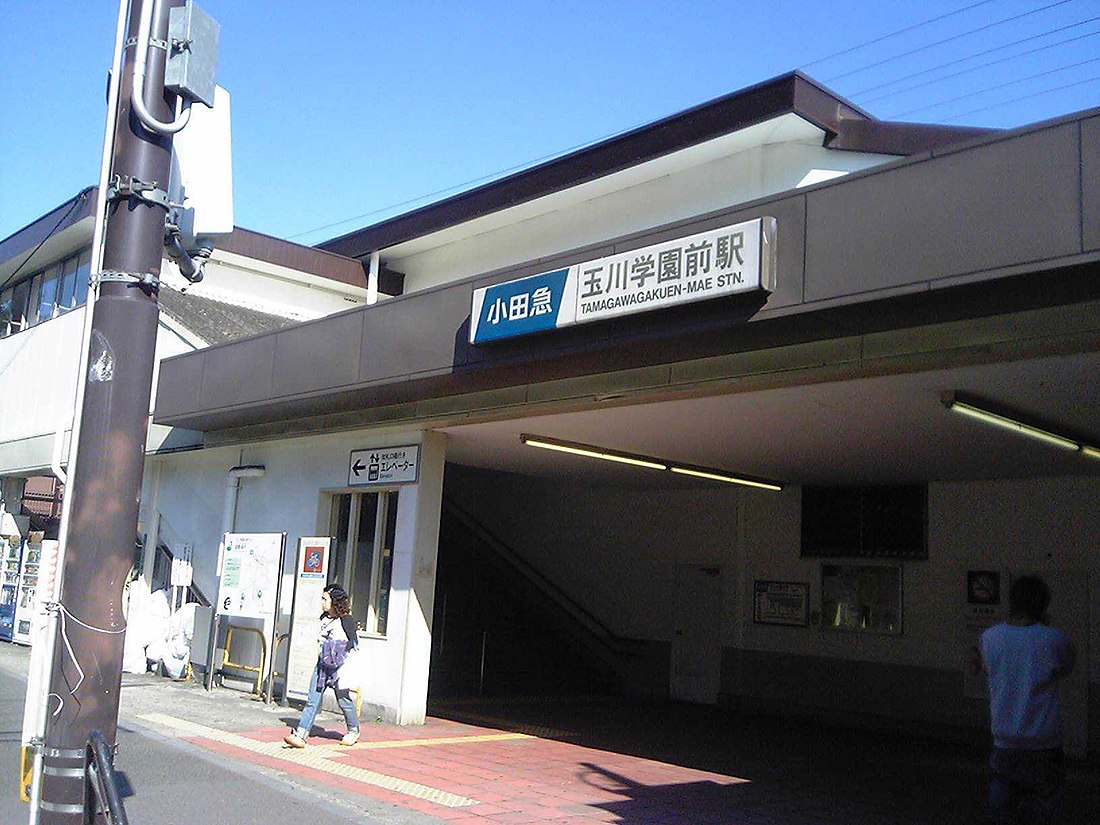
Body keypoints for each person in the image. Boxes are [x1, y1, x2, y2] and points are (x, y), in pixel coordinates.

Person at [979, 575, 1076, 824]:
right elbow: (1065, 668)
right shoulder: (1055, 639)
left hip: (1005, 740)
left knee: (1003, 807)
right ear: (1043, 603)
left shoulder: (990, 637)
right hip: (1044, 742)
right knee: (1044, 808)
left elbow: (987, 668)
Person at [283, 584, 360, 748]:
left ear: (335, 601)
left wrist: (342, 656)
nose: (322, 602)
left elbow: (354, 644)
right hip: (322, 666)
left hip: (339, 668)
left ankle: (353, 730)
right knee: (312, 700)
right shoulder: (324, 619)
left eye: (325, 599)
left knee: (344, 701)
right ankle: (301, 735)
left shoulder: (346, 621)